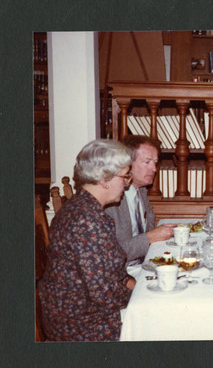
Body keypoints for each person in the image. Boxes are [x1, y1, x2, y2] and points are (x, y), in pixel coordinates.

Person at [38, 139, 135, 341]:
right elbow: (103, 294)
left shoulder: (82, 207)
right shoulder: (88, 221)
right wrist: (142, 298)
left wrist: (137, 285)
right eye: (125, 177)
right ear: (104, 179)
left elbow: (110, 271)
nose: (127, 184)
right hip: (81, 324)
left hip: (78, 312)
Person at [105, 135, 174, 269]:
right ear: (127, 164)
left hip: (143, 265)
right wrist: (150, 237)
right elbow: (110, 255)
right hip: (121, 273)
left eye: (155, 162)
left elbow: (149, 232)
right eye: (147, 162)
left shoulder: (140, 191)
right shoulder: (111, 201)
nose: (154, 169)